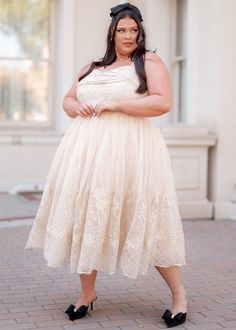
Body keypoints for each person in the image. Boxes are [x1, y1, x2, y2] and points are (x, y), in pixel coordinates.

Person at [25, 2, 188, 328]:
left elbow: (163, 102)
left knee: (146, 222)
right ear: (112, 34)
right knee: (88, 215)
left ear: (140, 31)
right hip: (86, 153)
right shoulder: (93, 66)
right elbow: (68, 101)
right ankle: (87, 294)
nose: (129, 35)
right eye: (122, 30)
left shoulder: (148, 61)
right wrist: (77, 106)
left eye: (134, 29)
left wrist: (115, 102)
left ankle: (179, 295)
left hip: (130, 152)